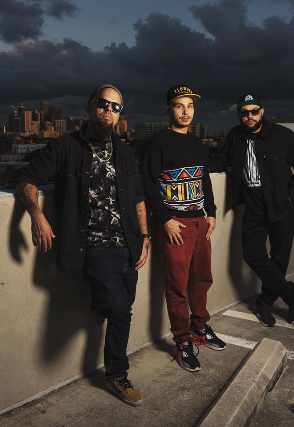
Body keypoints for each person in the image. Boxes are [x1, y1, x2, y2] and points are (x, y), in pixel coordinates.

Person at [14, 84, 150, 406]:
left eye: (116, 107)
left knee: (121, 305)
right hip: (93, 246)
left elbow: (138, 198)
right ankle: (117, 374)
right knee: (121, 310)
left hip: (128, 243)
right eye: (103, 104)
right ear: (90, 108)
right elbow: (26, 179)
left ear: (120, 115)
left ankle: (99, 303)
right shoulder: (65, 146)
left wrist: (145, 238)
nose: (108, 110)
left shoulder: (125, 152)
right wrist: (37, 215)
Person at [209, 93, 294, 327]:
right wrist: (197, 167)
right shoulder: (234, 136)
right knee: (252, 254)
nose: (250, 116)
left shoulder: (282, 135)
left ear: (262, 112)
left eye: (254, 111)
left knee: (279, 260)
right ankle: (293, 296)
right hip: (254, 206)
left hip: (283, 208)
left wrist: (289, 194)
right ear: (239, 115)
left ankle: (264, 303)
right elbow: (222, 161)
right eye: (245, 112)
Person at [142, 85, 226, 374]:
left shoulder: (198, 144)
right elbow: (148, 185)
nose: (186, 111)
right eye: (180, 106)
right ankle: (182, 341)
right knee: (177, 285)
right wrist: (165, 219)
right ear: (169, 110)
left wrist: (211, 213)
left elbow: (204, 181)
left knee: (202, 279)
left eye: (190, 106)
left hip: (199, 221)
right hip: (175, 224)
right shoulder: (158, 143)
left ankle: (200, 327)